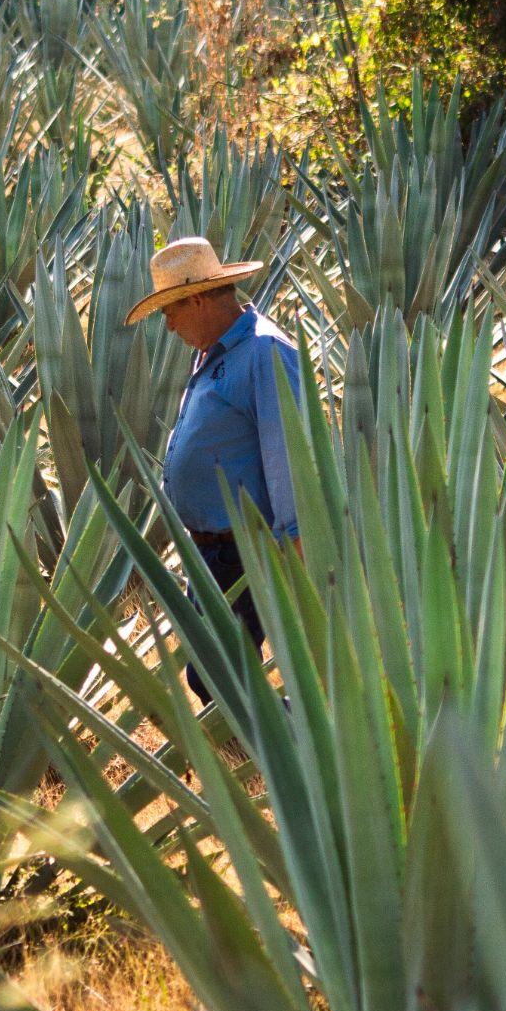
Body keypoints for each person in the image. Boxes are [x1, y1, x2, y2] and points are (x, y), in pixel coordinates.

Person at [125, 236, 300, 703]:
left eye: (170, 310)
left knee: (217, 679)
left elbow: (287, 455)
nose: (167, 325)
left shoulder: (264, 352)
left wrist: (295, 547)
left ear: (198, 299)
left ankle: (290, 754)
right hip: (212, 552)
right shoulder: (216, 351)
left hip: (246, 550)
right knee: (215, 674)